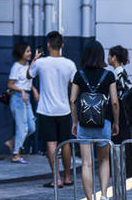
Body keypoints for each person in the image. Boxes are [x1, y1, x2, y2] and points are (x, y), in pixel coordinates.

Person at [70, 40, 120, 200]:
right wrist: (116, 122)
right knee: (104, 160)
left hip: (84, 124)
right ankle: (104, 195)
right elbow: (114, 101)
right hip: (103, 123)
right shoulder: (109, 75)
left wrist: (74, 122)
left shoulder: (79, 75)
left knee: (86, 163)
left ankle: (90, 198)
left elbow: (72, 100)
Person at [29, 30, 77, 188]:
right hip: (64, 110)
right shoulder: (69, 64)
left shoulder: (41, 63)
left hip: (46, 110)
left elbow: (29, 75)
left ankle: (56, 178)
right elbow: (73, 85)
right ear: (62, 45)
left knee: (51, 143)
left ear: (48, 45)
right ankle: (68, 177)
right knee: (66, 143)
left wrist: (35, 58)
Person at [7, 42, 38, 163]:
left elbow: (28, 82)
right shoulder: (16, 67)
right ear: (21, 53)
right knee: (22, 127)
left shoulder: (27, 66)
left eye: (30, 51)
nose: (29, 53)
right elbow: (10, 85)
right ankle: (16, 155)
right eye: (27, 51)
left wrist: (34, 91)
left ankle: (12, 142)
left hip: (26, 97)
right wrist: (22, 91)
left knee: (31, 127)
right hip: (18, 98)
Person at [108, 45, 132, 175]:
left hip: (120, 112)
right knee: (124, 140)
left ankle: (122, 170)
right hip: (125, 111)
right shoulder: (121, 72)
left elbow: (119, 96)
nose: (107, 58)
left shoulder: (117, 74)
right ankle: (126, 170)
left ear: (114, 57)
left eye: (109, 55)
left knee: (119, 140)